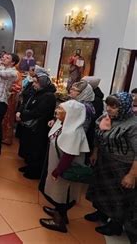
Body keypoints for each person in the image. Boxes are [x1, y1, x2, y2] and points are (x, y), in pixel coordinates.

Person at [86, 93, 136, 241]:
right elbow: (98, 137)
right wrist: (95, 152)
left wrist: (132, 175)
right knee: (101, 189)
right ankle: (101, 213)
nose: (109, 109)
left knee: (118, 197)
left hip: (122, 166)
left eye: (114, 107)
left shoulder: (133, 125)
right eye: (108, 105)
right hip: (104, 161)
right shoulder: (105, 118)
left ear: (125, 108)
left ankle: (115, 225)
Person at [39, 100, 90, 233]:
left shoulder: (74, 132)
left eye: (61, 110)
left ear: (71, 114)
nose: (57, 111)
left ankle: (59, 221)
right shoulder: (64, 124)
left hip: (64, 168)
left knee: (63, 193)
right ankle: (59, 212)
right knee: (57, 191)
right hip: (57, 163)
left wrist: (58, 171)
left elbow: (69, 155)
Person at [16, 69, 56, 179]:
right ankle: (29, 166)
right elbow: (26, 103)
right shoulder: (37, 92)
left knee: (36, 149)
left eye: (35, 82)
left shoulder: (48, 96)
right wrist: (20, 111)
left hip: (39, 127)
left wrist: (23, 115)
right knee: (29, 147)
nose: (33, 84)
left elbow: (38, 112)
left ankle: (34, 171)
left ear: (42, 84)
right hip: (30, 125)